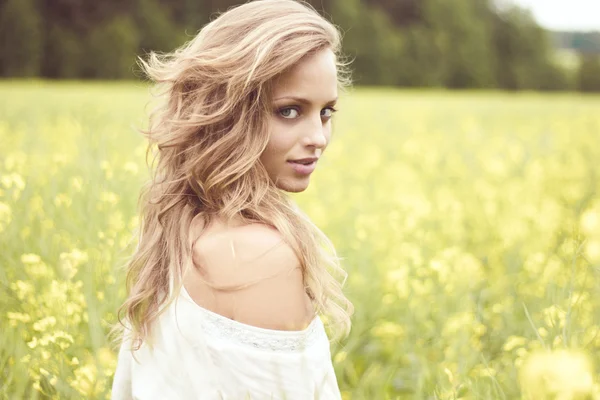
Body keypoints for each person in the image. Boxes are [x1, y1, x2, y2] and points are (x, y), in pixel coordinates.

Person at [110, 0, 354, 398]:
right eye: (289, 111)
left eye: (326, 112)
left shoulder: (181, 224)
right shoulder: (258, 256)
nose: (318, 138)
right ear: (226, 113)